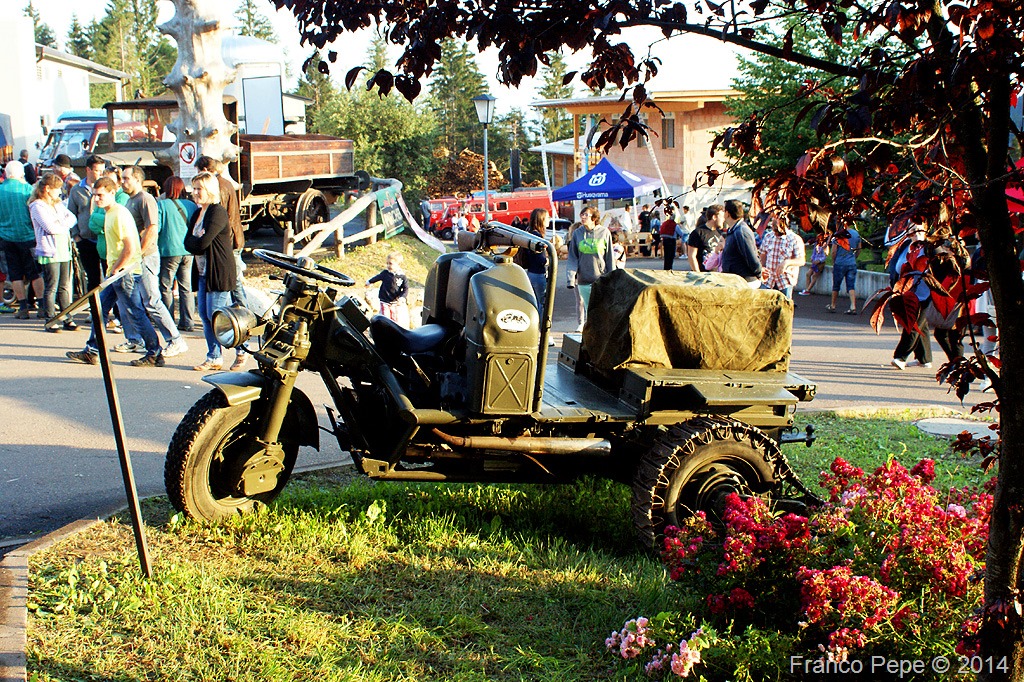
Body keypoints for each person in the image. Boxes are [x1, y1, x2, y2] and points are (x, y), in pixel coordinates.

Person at [67, 177, 160, 365]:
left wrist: (116, 269)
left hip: (125, 273)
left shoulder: (119, 214)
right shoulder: (108, 213)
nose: (96, 199)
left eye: (100, 195)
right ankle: (92, 350)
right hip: (117, 272)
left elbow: (130, 247)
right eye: (94, 195)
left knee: (135, 312)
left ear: (112, 193)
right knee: (99, 309)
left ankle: (155, 352)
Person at [122, 166, 188, 360]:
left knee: (152, 301)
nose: (122, 182)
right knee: (132, 300)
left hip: (146, 257)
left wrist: (139, 253)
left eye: (126, 178)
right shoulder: (130, 200)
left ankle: (175, 339)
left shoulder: (145, 199)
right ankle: (136, 339)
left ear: (137, 179)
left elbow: (152, 228)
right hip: (135, 257)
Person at [185, 172, 236, 371]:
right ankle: (214, 356)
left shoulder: (217, 212)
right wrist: (196, 240)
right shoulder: (197, 214)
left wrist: (197, 240)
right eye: (194, 188)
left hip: (218, 271)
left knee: (218, 316)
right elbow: (187, 243)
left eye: (200, 189)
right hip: (202, 272)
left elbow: (202, 244)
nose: (195, 192)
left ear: (210, 190)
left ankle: (241, 348)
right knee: (206, 316)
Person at [30, 173, 77, 330]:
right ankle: (50, 319)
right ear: (47, 189)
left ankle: (67, 318)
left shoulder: (58, 204)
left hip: (64, 250)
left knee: (64, 286)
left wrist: (60, 223)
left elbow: (72, 218)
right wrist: (63, 224)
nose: (59, 191)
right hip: (50, 251)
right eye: (57, 188)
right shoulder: (37, 206)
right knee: (52, 287)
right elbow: (50, 228)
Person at [0, 160, 44, 319]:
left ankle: (23, 307)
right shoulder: (27, 190)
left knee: (15, 274)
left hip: (6, 237)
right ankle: (42, 305)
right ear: (21, 174)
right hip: (28, 236)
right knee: (35, 273)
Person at [888, 222, 932, 369]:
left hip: (925, 294)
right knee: (921, 325)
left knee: (913, 325)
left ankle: (900, 357)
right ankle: (924, 359)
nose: (917, 234)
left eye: (920, 230)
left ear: (926, 231)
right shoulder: (904, 247)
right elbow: (895, 266)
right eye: (913, 231)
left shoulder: (930, 248)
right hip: (907, 293)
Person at [157, 176, 198, 332]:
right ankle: (188, 322)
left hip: (169, 250)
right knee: (186, 287)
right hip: (188, 251)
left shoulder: (162, 205)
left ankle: (168, 321)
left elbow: (157, 227)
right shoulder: (191, 205)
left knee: (166, 287)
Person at [566, 205, 614, 332]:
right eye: (582, 215)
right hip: (584, 280)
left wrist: (613, 278)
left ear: (594, 218)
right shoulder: (577, 234)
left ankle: (602, 334)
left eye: (586, 215)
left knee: (602, 309)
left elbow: (609, 258)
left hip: (601, 279)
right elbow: (572, 258)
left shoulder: (604, 233)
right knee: (589, 310)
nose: (583, 217)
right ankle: (592, 335)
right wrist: (571, 278)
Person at [67, 155, 107, 293]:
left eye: (102, 171)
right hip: (85, 240)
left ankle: (112, 306)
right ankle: (94, 306)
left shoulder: (106, 189)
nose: (101, 174)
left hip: (104, 239)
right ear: (88, 170)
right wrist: (76, 236)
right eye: (97, 171)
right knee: (92, 278)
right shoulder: (77, 190)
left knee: (109, 276)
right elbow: (70, 214)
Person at [758, 214, 805, 298]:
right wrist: (762, 268)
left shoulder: (794, 239)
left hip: (785, 281)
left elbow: (801, 260)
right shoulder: (768, 237)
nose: (774, 232)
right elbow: (763, 255)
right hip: (768, 281)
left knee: (785, 305)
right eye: (773, 227)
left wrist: (786, 263)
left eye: (776, 229)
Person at [720, 199, 762, 288]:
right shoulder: (733, 230)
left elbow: (751, 257)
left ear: (727, 213)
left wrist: (759, 273)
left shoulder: (741, 232)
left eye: (724, 211)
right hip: (735, 282)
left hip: (745, 283)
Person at [367, 251, 409, 326]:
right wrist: (369, 282)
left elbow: (405, 289)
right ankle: (384, 329)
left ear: (398, 264)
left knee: (395, 318)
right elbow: (377, 277)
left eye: (390, 263)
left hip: (395, 301)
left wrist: (402, 298)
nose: (388, 265)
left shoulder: (402, 276)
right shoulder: (385, 273)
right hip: (384, 300)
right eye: (387, 263)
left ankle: (393, 330)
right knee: (385, 317)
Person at [827, 222, 861, 314]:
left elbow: (834, 251)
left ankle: (833, 305)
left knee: (836, 285)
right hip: (851, 263)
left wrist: (834, 261)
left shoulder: (838, 235)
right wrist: (854, 257)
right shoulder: (856, 234)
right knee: (851, 285)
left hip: (839, 263)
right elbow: (859, 248)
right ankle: (853, 306)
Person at [523, 207, 550, 307]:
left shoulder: (529, 232)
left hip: (530, 272)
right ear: (541, 219)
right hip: (538, 273)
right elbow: (539, 259)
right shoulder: (537, 236)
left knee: (534, 302)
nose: (549, 220)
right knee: (541, 303)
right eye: (547, 217)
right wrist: (548, 260)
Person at [687, 204, 725, 273]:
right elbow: (691, 256)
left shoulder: (720, 233)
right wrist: (697, 274)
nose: (723, 219)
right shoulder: (698, 232)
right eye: (722, 217)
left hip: (717, 275)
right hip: (702, 274)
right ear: (714, 217)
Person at [659, 205, 687, 271]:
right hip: (672, 240)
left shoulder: (664, 223)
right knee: (671, 255)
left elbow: (661, 231)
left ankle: (666, 267)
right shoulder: (674, 225)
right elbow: (680, 233)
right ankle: (670, 267)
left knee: (666, 255)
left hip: (665, 240)